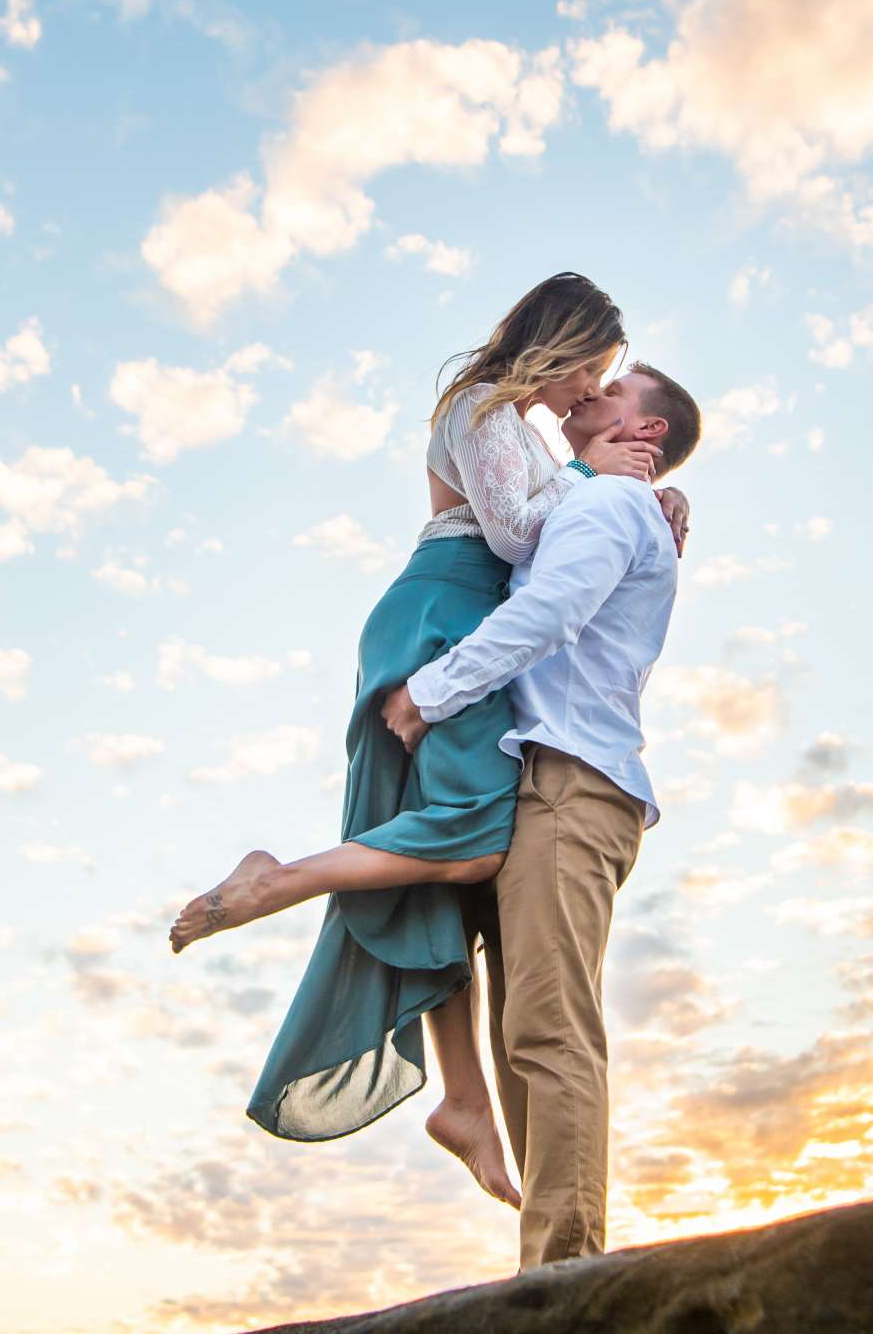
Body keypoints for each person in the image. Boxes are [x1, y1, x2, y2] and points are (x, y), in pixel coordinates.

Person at [166, 273, 691, 1214]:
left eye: (607, 385)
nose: (587, 396)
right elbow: (521, 533)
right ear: (561, 347)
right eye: (593, 375)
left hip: (458, 615)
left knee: (437, 864)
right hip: (443, 612)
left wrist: (637, 491)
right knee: (473, 836)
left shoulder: (529, 435)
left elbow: (555, 543)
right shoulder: (483, 408)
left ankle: (461, 1099)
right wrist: (597, 475)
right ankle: (278, 879)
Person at [379, 358, 703, 1271]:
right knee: (522, 1031)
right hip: (542, 782)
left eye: (616, 389)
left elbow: (552, 613)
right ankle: (549, 1266)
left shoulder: (608, 507)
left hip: (570, 783)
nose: (592, 394)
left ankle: (563, 1273)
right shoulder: (591, 498)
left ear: (649, 434)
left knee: (550, 1028)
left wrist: (428, 694)